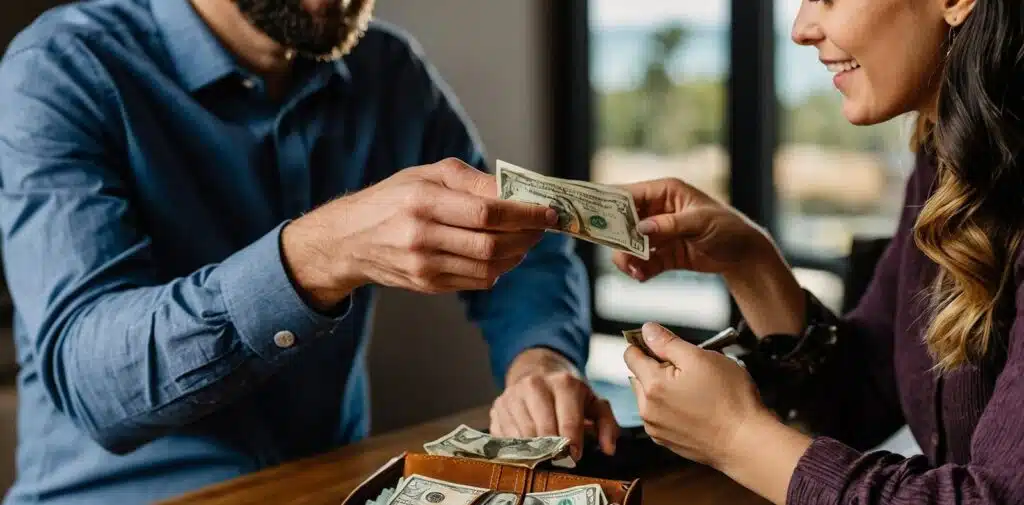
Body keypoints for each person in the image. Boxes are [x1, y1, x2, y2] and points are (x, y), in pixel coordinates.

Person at [0, 0, 618, 503]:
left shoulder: (390, 70)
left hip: (332, 486)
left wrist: (541, 360)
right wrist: (318, 256)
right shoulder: (59, 66)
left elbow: (524, 249)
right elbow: (92, 386)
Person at [609, 0, 1024, 503]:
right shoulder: (946, 159)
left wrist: (737, 437)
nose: (801, 29)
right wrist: (749, 260)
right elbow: (862, 397)